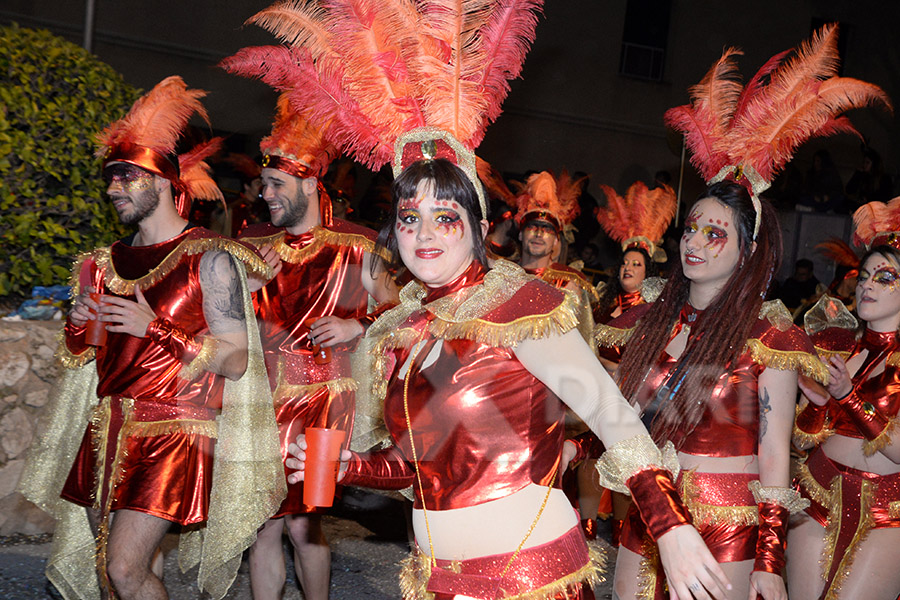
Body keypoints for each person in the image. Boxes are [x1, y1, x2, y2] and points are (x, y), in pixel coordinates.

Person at [246, 1, 734, 598]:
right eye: (409, 216)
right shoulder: (400, 329)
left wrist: (671, 527)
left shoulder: (522, 305)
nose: (423, 233)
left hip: (526, 578)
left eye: (444, 217)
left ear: (478, 228)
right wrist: (349, 468)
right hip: (435, 580)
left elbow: (612, 414)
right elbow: (425, 468)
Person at [601, 24, 887, 599]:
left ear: (748, 249)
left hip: (727, 524)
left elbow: (774, 448)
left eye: (716, 233)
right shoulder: (646, 320)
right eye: (691, 228)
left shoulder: (769, 337)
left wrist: (769, 560)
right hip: (649, 511)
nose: (695, 243)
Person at [17, 77, 284, 600]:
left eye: (126, 177)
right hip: (107, 425)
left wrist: (156, 329)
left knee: (124, 567)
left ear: (163, 182)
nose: (113, 188)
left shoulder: (209, 258)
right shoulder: (101, 263)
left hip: (174, 431)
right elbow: (81, 358)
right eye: (110, 178)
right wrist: (79, 324)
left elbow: (235, 362)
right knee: (107, 568)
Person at [217, 75, 400, 600]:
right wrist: (247, 287)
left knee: (302, 522)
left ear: (310, 183)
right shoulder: (252, 245)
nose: (265, 193)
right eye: (264, 183)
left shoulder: (355, 246)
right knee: (264, 523)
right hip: (259, 402)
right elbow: (217, 323)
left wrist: (357, 325)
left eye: (277, 184)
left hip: (323, 399)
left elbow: (405, 312)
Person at [788, 205, 900, 600]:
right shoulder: (839, 346)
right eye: (866, 275)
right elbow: (802, 440)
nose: (868, 285)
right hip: (818, 490)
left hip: (887, 513)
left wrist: (848, 397)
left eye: (885, 277)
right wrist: (817, 405)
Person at [514, 170, 599, 342]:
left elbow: (580, 342)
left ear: (555, 241)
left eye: (547, 229)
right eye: (533, 227)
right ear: (521, 235)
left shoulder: (568, 282)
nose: (538, 233)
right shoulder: (502, 274)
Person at [594, 180, 676, 324]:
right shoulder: (601, 306)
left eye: (636, 264)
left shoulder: (652, 312)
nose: (628, 268)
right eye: (624, 264)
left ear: (647, 273)